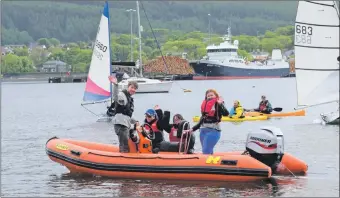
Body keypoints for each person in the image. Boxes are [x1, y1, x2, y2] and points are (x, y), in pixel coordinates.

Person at [187, 89, 229, 155]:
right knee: (208, 151)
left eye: (212, 95)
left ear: (216, 96)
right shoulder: (205, 105)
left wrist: (221, 104)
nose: (210, 97)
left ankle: (203, 164)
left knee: (206, 151)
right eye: (208, 96)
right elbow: (201, 121)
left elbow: (226, 113)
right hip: (202, 131)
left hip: (213, 130)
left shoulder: (218, 104)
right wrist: (192, 129)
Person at [108, 75, 138, 153]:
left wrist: (136, 121)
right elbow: (115, 97)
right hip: (121, 125)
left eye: (135, 88)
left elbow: (127, 115)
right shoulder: (122, 95)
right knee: (124, 145)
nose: (133, 90)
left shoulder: (130, 99)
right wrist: (115, 84)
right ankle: (124, 160)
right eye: (132, 87)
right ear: (128, 87)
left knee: (126, 144)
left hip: (125, 125)